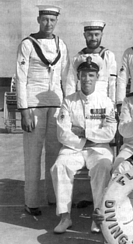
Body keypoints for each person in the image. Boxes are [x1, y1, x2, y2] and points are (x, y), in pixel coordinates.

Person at [51, 56, 117, 234]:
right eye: (84, 75)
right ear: (78, 76)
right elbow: (63, 133)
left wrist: (85, 133)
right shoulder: (68, 101)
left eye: (91, 75)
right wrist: (89, 139)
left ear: (97, 77)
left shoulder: (106, 102)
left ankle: (98, 216)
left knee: (103, 166)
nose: (87, 79)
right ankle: (65, 217)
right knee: (60, 166)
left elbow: (110, 133)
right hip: (74, 149)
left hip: (99, 149)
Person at [15, 5, 69, 216]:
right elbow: (20, 77)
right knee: (33, 154)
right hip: (33, 105)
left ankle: (53, 198)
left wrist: (67, 106)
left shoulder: (61, 44)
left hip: (55, 104)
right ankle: (31, 201)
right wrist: (24, 109)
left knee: (55, 154)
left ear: (57, 21)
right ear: (38, 19)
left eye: (52, 20)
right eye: (45, 19)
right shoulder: (27, 44)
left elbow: (66, 78)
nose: (48, 24)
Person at [65, 20, 117, 103]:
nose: (93, 38)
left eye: (97, 34)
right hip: (81, 102)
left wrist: (112, 104)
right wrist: (69, 103)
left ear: (101, 35)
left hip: (102, 102)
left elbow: (112, 84)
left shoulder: (108, 56)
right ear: (84, 35)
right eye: (89, 35)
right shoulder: (77, 58)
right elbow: (70, 84)